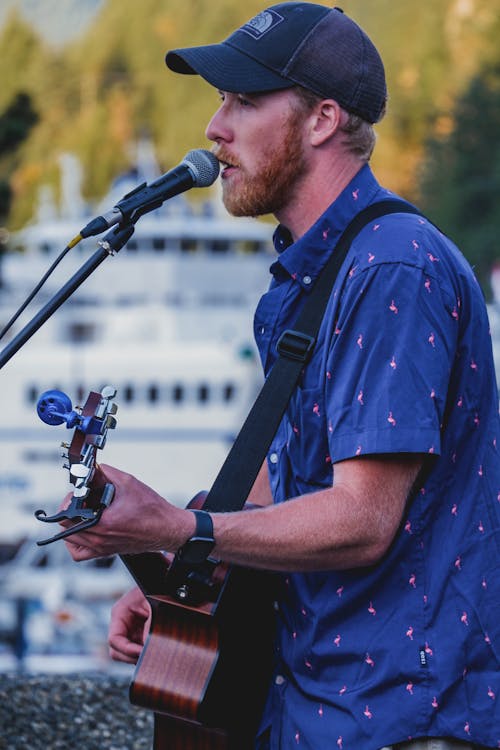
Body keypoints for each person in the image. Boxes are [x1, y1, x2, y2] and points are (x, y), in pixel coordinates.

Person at [62, 4, 500, 749]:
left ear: (323, 119)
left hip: (402, 716)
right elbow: (292, 469)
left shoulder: (394, 265)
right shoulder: (314, 270)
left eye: (243, 100)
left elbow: (363, 518)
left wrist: (181, 525)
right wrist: (186, 572)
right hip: (317, 708)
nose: (214, 127)